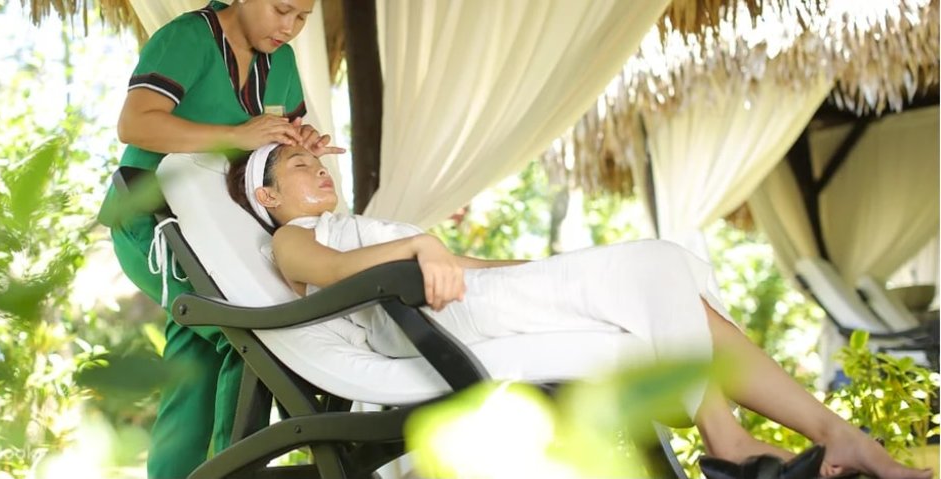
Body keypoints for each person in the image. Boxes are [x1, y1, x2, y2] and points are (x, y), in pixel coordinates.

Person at [224, 143, 933, 479]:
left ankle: (836, 437)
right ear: (267, 197)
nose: (318, 168)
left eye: (318, 161)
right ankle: (734, 442)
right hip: (432, 327)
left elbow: (465, 268)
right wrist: (420, 243)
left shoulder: (353, 222)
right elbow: (334, 273)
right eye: (298, 167)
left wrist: (557, 271)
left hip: (465, 300)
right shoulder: (293, 237)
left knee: (667, 283)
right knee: (658, 264)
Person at [97, 1, 342, 477]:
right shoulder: (189, 38)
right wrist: (235, 134)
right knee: (242, 337)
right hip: (153, 225)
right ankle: (234, 470)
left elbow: (271, 147)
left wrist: (299, 142)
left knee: (197, 358)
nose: (289, 27)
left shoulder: (281, 62)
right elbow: (135, 123)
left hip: (222, 232)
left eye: (302, 18)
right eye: (282, 10)